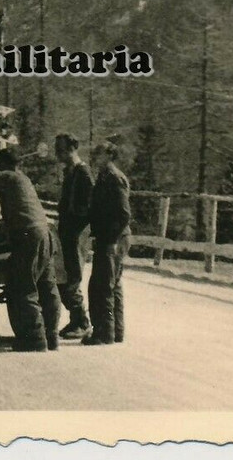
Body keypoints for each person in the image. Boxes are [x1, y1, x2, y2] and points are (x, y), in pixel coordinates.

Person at [0, 147, 62, 351]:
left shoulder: (10, 178)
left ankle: (34, 340)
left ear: (2, 164)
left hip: (28, 236)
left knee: (22, 286)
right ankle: (51, 336)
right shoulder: (23, 178)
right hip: (45, 234)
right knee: (47, 287)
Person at [83, 141, 132, 346]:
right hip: (110, 237)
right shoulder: (105, 176)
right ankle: (115, 331)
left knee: (102, 286)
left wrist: (111, 240)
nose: (95, 157)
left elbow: (123, 213)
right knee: (112, 285)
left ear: (110, 155)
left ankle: (104, 334)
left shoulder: (113, 178)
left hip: (113, 238)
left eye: (99, 153)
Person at [54, 133, 94, 340]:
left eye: (61, 149)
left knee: (71, 279)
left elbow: (88, 208)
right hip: (68, 233)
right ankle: (76, 319)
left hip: (76, 234)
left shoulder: (83, 173)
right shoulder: (71, 172)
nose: (57, 153)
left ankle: (82, 322)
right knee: (64, 277)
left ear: (73, 147)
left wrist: (73, 223)